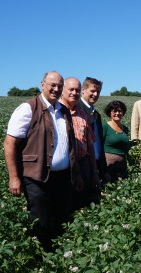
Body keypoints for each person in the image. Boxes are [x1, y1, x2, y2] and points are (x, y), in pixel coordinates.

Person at [3, 71, 82, 252]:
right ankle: (40, 260)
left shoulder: (64, 111)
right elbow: (9, 144)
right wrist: (14, 177)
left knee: (62, 218)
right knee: (40, 220)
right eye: (52, 85)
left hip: (62, 177)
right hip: (37, 177)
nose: (56, 89)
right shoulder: (28, 108)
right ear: (42, 84)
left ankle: (59, 258)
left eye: (59, 86)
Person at [59, 77, 100, 210]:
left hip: (83, 164)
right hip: (64, 168)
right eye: (71, 89)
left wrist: (94, 171)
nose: (74, 93)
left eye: (77, 90)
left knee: (82, 203)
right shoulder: (55, 112)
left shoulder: (83, 114)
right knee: (64, 205)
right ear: (63, 90)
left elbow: (90, 146)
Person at [77, 77, 109, 184]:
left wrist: (103, 169)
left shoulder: (96, 115)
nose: (95, 94)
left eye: (98, 92)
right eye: (92, 91)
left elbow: (99, 144)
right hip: (82, 164)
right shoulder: (76, 109)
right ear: (83, 90)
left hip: (96, 164)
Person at [102, 100, 132, 182]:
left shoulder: (125, 128)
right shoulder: (105, 127)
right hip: (108, 165)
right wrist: (103, 168)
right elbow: (99, 146)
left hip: (122, 165)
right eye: (114, 111)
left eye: (120, 111)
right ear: (110, 113)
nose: (117, 113)